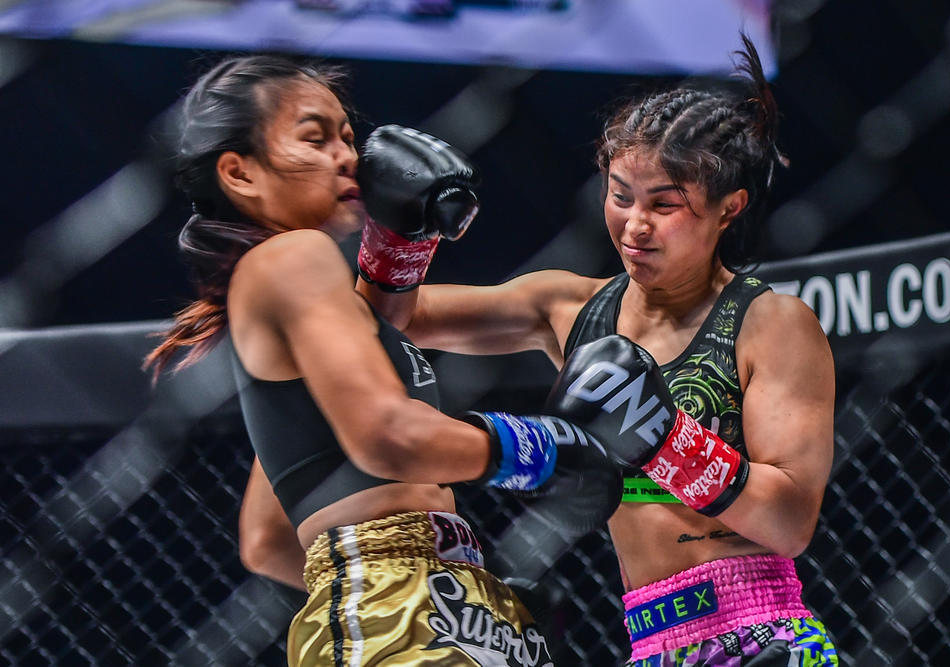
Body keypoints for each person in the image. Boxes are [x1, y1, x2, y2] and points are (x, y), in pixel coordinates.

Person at [354, 35, 840, 665]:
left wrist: (665, 440)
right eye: (621, 195)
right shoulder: (566, 308)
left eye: (665, 204)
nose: (636, 224)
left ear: (729, 209)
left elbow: (790, 523)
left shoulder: (770, 323)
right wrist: (396, 235)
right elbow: (390, 321)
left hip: (760, 633)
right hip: (650, 644)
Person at [143, 53, 617, 667]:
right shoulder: (292, 255)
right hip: (392, 609)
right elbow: (389, 434)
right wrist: (543, 449)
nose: (347, 156)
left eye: (347, 137)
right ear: (241, 173)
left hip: (432, 600)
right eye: (314, 138)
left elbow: (267, 539)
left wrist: (465, 589)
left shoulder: (312, 309)